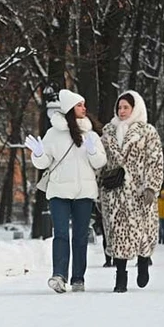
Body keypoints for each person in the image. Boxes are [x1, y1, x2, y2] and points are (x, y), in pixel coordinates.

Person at [25, 89, 107, 293]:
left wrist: (92, 150)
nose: (84, 108)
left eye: (84, 104)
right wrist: (38, 153)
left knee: (80, 236)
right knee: (60, 234)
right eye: (80, 105)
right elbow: (43, 163)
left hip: (84, 193)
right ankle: (59, 275)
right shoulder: (53, 134)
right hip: (59, 192)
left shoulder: (91, 134)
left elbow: (100, 162)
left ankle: (78, 278)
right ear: (71, 109)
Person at [99, 90, 164, 292]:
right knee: (117, 234)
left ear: (135, 108)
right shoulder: (108, 132)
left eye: (126, 107)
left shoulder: (147, 132)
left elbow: (155, 161)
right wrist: (99, 185)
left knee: (143, 233)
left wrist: (152, 187)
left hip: (139, 193)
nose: (122, 111)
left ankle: (143, 262)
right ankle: (120, 277)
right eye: (119, 107)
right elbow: (101, 162)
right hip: (114, 192)